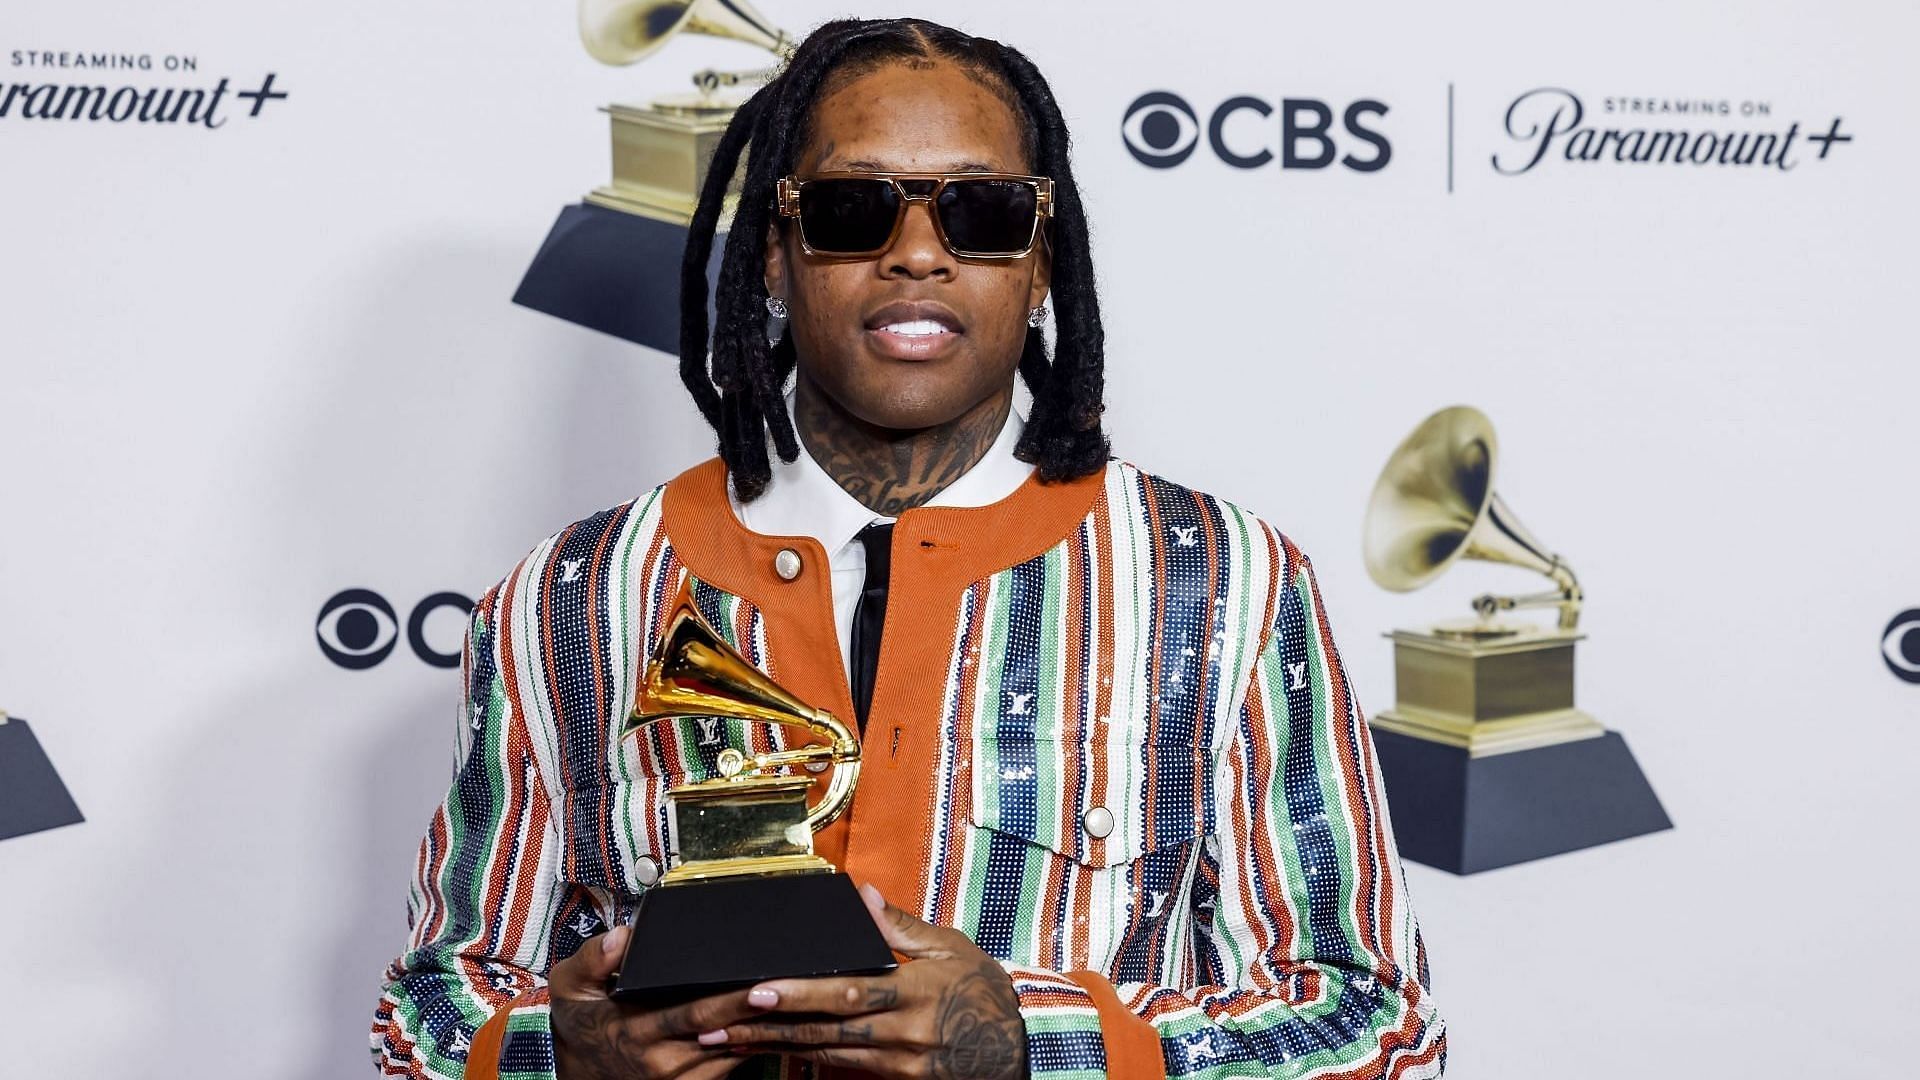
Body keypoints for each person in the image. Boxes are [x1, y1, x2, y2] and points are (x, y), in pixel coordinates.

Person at [372, 16, 1446, 1080]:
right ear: (775, 259)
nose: (919, 252)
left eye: (983, 211)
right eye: (852, 208)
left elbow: (1378, 1028)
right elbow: (424, 1014)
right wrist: (557, 1055)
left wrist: (1032, 1044)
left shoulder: (1223, 585)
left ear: (1041, 266)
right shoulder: (568, 595)